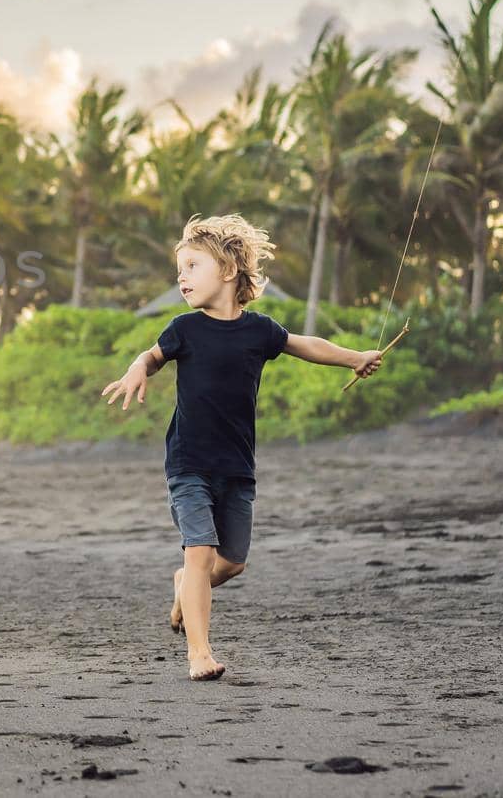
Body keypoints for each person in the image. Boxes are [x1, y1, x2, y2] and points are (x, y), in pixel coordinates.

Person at [101, 215, 382, 681]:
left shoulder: (260, 331)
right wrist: (136, 371)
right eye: (180, 269)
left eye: (192, 266)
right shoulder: (184, 329)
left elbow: (305, 344)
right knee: (200, 550)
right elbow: (151, 356)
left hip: (237, 466)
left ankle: (182, 589)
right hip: (188, 463)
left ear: (229, 270)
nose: (181, 277)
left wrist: (355, 358)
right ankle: (199, 654)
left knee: (231, 563)